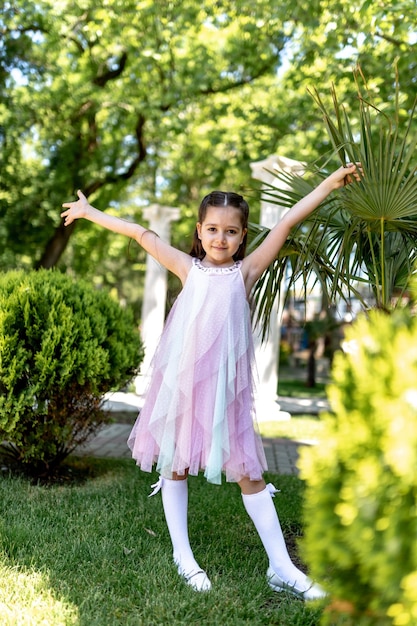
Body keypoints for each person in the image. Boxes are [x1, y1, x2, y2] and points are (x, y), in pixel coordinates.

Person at [61, 163, 360, 598]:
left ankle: (281, 567)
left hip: (227, 394)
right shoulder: (187, 268)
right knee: (175, 465)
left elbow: (291, 217)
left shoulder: (246, 272)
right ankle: (184, 557)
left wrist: (329, 184)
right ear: (199, 231)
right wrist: (90, 213)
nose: (221, 239)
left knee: (249, 472)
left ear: (243, 237)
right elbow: (139, 232)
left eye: (232, 232)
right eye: (213, 229)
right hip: (184, 389)